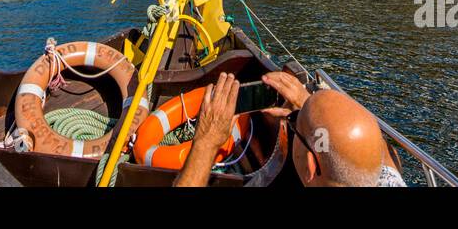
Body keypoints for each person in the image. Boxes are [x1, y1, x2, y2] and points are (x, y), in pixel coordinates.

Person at [174, 70, 406, 187]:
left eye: (295, 125)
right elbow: (382, 150)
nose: (292, 123)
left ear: (311, 165)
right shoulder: (387, 177)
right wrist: (308, 107)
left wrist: (206, 142)